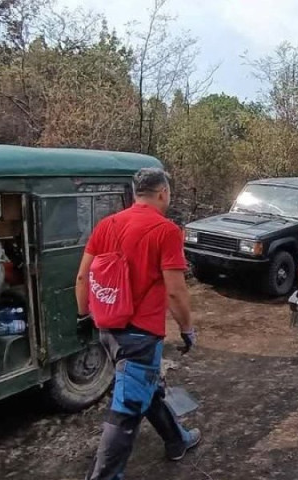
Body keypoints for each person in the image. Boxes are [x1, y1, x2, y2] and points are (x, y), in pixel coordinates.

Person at [75, 168, 200, 480]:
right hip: (140, 336)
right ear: (162, 193)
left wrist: (85, 316)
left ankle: (176, 440)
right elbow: (175, 290)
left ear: (134, 193)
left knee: (148, 388)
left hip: (108, 328)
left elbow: (82, 277)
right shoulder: (166, 231)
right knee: (126, 409)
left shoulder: (106, 225)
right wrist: (187, 329)